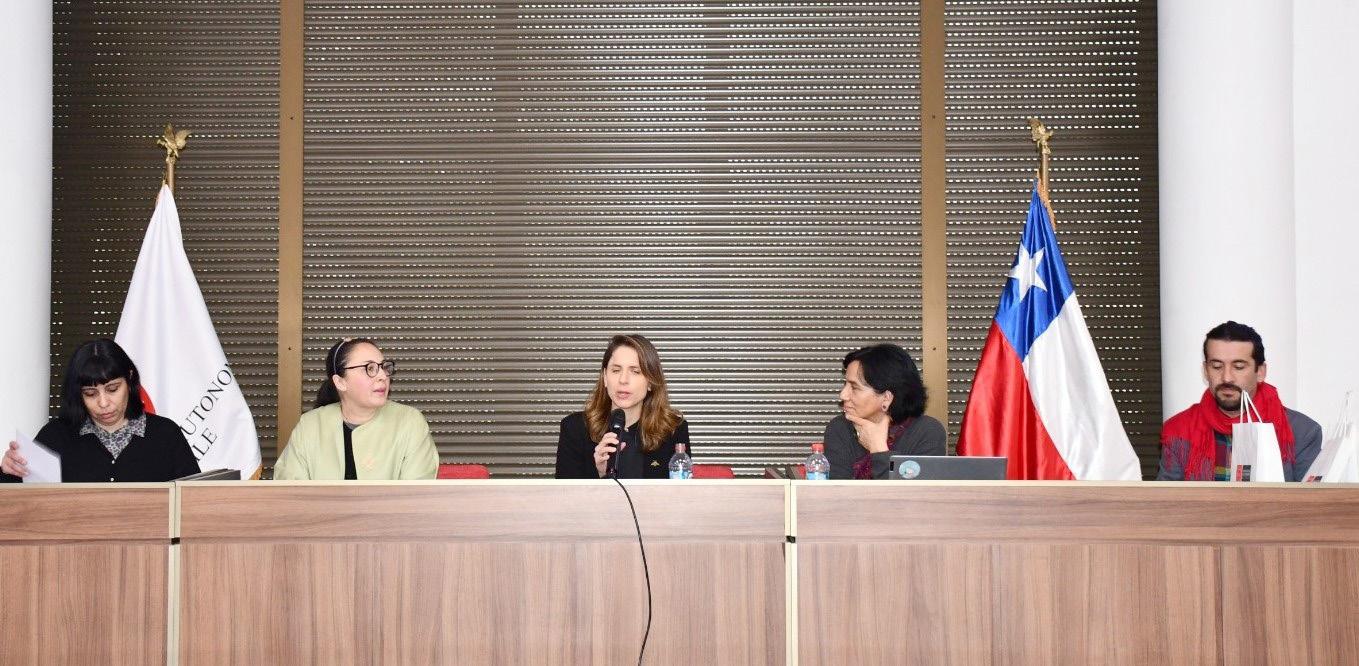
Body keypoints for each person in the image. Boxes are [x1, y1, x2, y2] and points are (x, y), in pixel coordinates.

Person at [1, 338, 200, 482]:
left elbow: (193, 502)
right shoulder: (56, 436)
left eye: (112, 389)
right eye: (90, 393)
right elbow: (17, 503)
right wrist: (8, 471)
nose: (103, 403)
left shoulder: (165, 435)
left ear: (130, 378)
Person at [1159, 321, 1322, 481]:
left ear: (1260, 372)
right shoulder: (1178, 430)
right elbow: (1165, 497)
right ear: (1206, 371)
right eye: (1216, 366)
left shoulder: (1302, 431)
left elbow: (1310, 498)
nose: (1227, 378)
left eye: (1238, 367)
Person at [274, 338, 438, 480]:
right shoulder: (309, 425)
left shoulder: (410, 422)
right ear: (340, 382)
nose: (383, 376)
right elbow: (289, 493)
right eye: (370, 368)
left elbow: (416, 497)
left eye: (383, 367)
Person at [555, 334, 690, 479]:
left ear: (650, 382)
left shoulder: (673, 430)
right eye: (616, 370)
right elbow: (564, 492)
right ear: (605, 377)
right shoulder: (575, 428)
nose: (623, 380)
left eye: (635, 371)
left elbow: (682, 492)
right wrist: (600, 473)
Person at [824, 343, 946, 479]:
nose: (843, 395)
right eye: (845, 384)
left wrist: (878, 449)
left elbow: (915, 492)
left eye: (854, 387)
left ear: (887, 398)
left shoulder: (927, 431)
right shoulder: (840, 428)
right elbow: (838, 490)